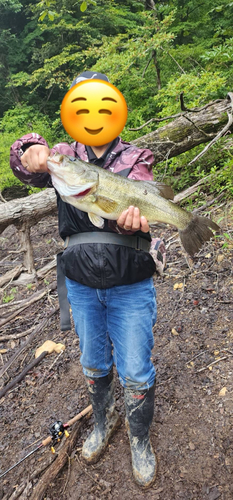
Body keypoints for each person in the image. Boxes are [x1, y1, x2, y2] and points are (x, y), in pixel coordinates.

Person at [10, 71, 159, 488]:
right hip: (80, 284)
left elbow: (144, 196)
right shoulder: (63, 157)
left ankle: (140, 439)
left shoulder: (136, 157)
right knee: (93, 364)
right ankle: (103, 418)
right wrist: (30, 149)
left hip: (131, 282)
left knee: (135, 369)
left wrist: (134, 224)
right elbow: (24, 163)